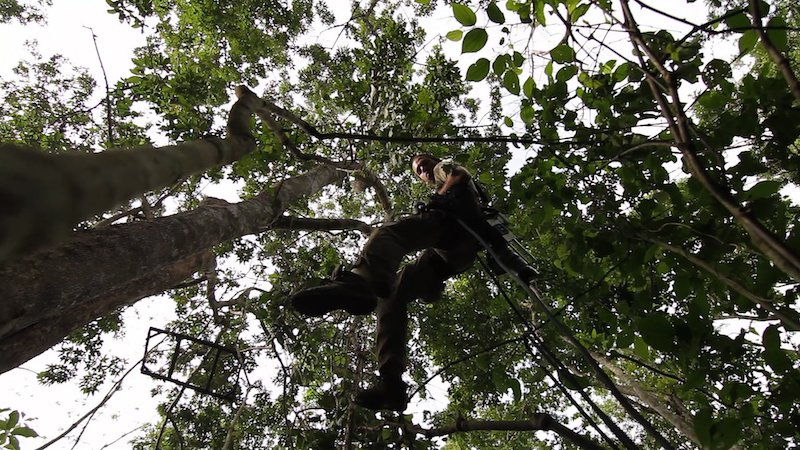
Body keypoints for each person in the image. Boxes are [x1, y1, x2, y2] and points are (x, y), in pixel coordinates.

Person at [290, 154, 536, 411]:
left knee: (388, 235)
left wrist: (439, 198)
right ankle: (391, 382)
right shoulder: (438, 184)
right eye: (419, 170)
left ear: (434, 161)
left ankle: (359, 282)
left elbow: (459, 175)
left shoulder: (444, 168)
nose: (423, 169)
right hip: (451, 256)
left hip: (454, 224)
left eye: (424, 163)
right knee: (391, 294)